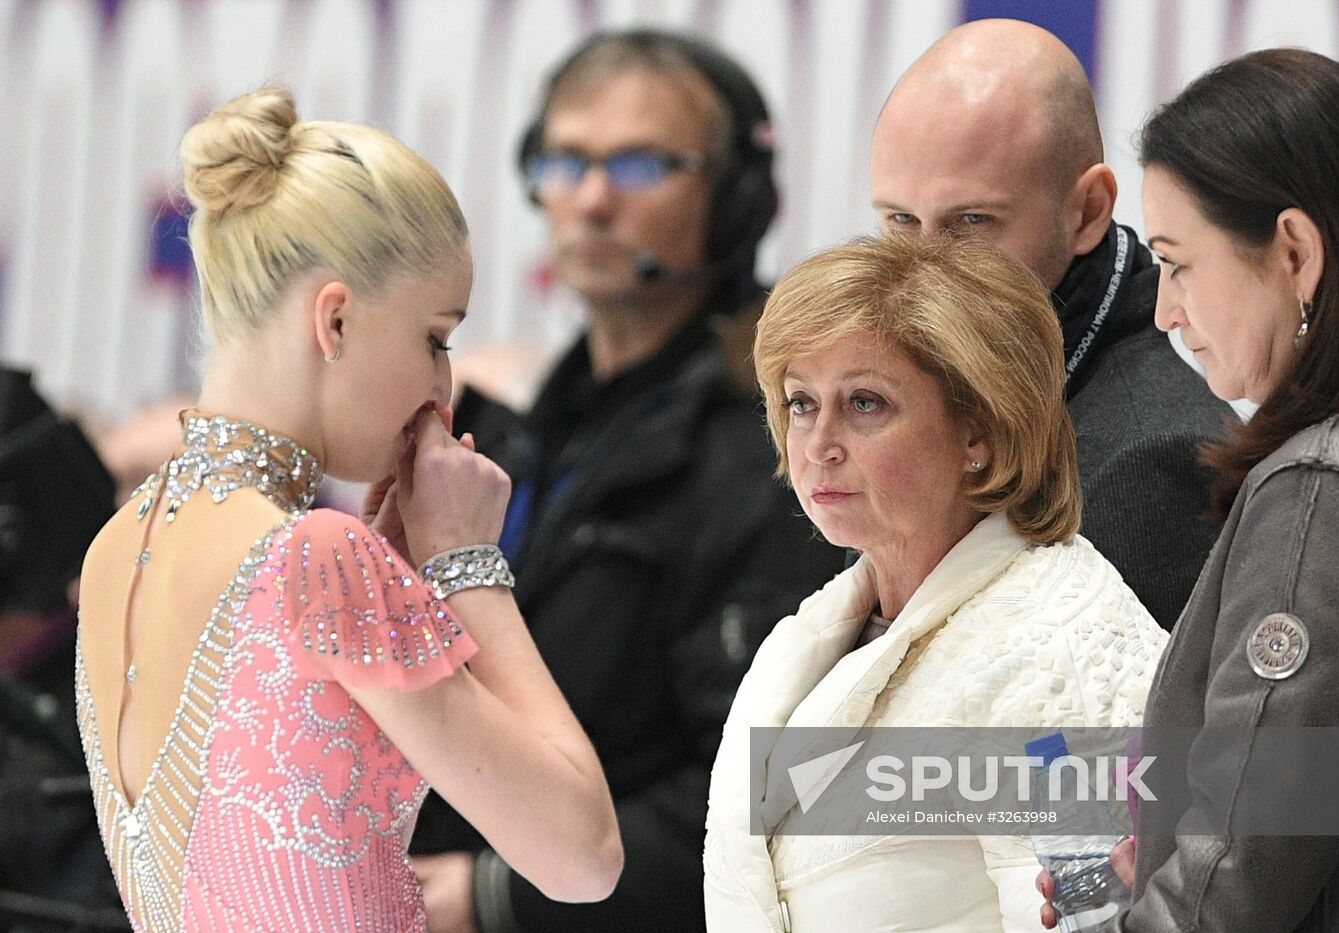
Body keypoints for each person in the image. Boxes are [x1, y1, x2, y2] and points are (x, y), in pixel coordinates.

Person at [73, 87, 622, 932]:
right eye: (435, 337)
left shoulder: (114, 546)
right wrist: (466, 564)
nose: (443, 385)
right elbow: (584, 855)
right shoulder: (320, 559)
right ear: (334, 320)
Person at [409, 29, 847, 933]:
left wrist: (495, 896)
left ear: (735, 201)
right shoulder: (541, 422)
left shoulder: (779, 440)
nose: (592, 199)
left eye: (641, 165)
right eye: (565, 162)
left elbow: (774, 786)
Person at [702, 233, 1167, 931]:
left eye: (865, 403)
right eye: (801, 403)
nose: (819, 444)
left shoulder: (1058, 654)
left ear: (978, 433)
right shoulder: (825, 627)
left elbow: (1091, 919)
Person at [1037, 48, 1339, 931]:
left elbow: (1232, 880)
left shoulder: (1325, 493)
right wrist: (1158, 858)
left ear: (1295, 253)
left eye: (1178, 262)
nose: (1166, 310)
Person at [870, 18, 1234, 628]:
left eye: (972, 223)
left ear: (1087, 211)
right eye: (901, 221)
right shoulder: (906, 395)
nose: (924, 268)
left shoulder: (1151, 463)